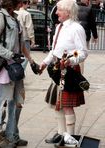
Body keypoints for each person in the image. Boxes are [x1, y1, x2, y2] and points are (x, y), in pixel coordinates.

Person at [39, 0, 88, 147]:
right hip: (57, 70)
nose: (56, 12)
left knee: (67, 106)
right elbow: (55, 50)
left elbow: (82, 52)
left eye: (59, 10)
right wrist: (45, 62)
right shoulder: (59, 27)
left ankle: (70, 138)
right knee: (57, 103)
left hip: (69, 71)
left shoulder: (76, 28)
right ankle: (61, 135)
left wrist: (70, 60)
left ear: (67, 12)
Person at [0, 0, 36, 147]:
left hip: (16, 67)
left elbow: (21, 44)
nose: (22, 2)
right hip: (5, 67)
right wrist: (9, 54)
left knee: (18, 102)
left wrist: (31, 61)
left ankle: (12, 135)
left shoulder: (14, 17)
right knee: (3, 101)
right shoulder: (0, 17)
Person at [15, 0, 35, 70]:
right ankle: (20, 71)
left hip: (16, 38)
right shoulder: (26, 14)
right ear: (25, 3)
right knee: (26, 57)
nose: (28, 6)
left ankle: (16, 71)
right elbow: (29, 27)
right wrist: (32, 39)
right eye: (28, 4)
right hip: (24, 38)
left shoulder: (15, 12)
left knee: (16, 55)